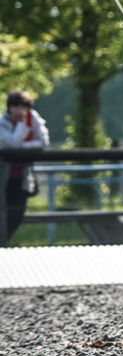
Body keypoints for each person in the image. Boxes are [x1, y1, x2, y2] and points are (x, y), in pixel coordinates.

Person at [1, 91, 50, 243]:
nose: (21, 109)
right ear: (10, 107)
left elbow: (43, 141)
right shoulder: (2, 123)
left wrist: (23, 146)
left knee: (17, 213)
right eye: (16, 105)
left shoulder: (33, 118)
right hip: (2, 178)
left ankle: (3, 243)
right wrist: (22, 125)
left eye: (25, 105)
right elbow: (12, 144)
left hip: (21, 177)